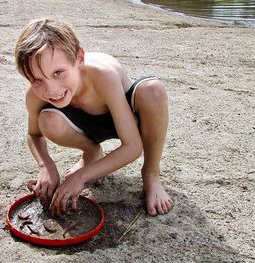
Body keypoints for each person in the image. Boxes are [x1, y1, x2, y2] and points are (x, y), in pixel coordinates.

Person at [15, 18, 173, 216]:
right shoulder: (33, 96)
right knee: (47, 120)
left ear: (79, 58)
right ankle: (91, 152)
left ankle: (151, 174)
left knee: (153, 90)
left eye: (58, 73)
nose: (50, 89)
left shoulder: (102, 76)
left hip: (125, 116)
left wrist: (80, 177)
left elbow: (132, 147)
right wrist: (46, 166)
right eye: (37, 80)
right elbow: (34, 134)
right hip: (85, 125)